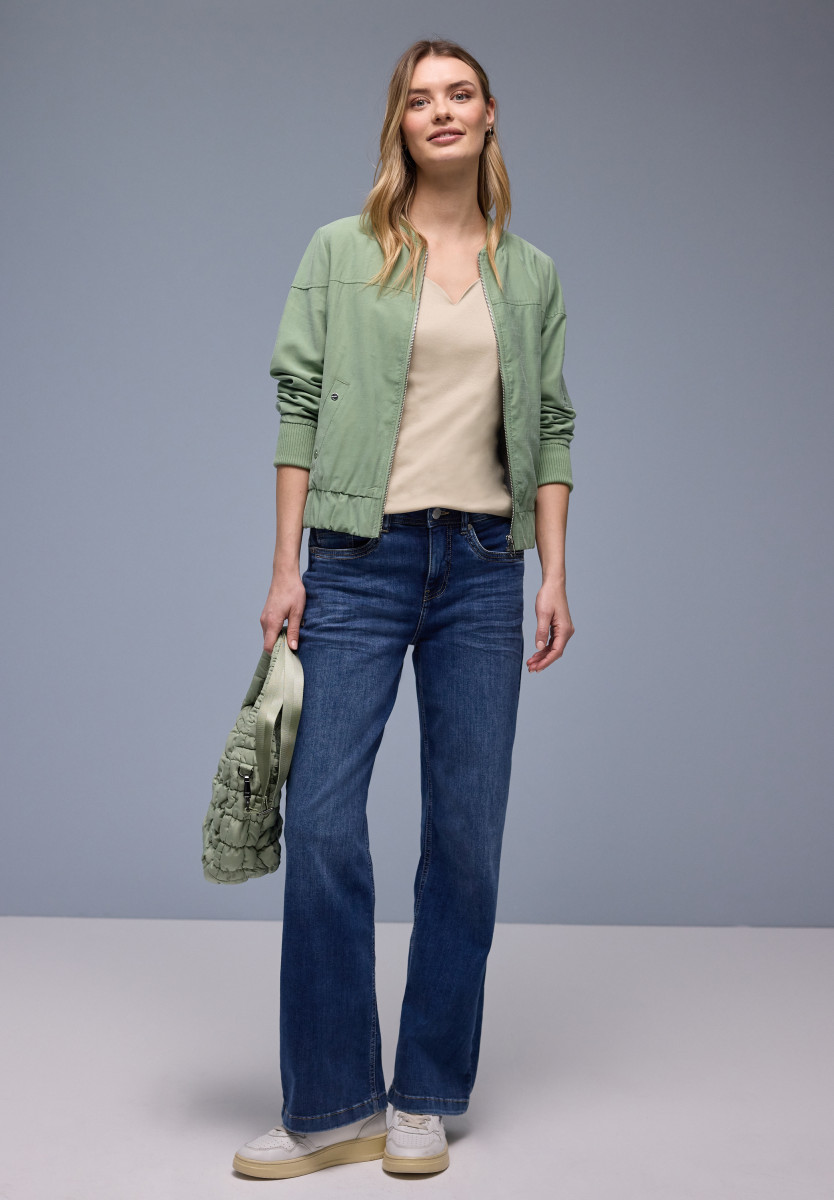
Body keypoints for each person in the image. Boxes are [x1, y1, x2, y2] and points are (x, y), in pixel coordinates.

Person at [232, 37, 577, 1181]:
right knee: (325, 825)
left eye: (459, 94)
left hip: (482, 566)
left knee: (466, 839)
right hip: (357, 557)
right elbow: (298, 401)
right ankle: (333, 1106)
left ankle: (424, 1094)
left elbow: (553, 426)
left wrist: (554, 573)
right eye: (420, 98)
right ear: (400, 122)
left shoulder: (531, 275)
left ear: (490, 114)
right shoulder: (341, 253)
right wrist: (286, 567)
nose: (441, 111)